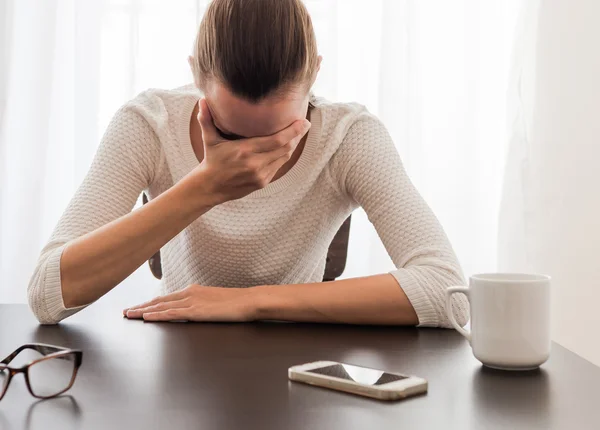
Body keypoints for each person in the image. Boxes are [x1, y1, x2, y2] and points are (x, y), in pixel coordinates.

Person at [28, 0, 469, 327]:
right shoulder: (149, 124)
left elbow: (448, 292)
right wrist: (205, 187)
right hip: (179, 378)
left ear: (314, 74)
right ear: (196, 77)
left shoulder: (347, 136)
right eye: (232, 134)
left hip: (298, 377)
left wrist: (251, 301)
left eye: (278, 135)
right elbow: (46, 294)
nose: (251, 158)